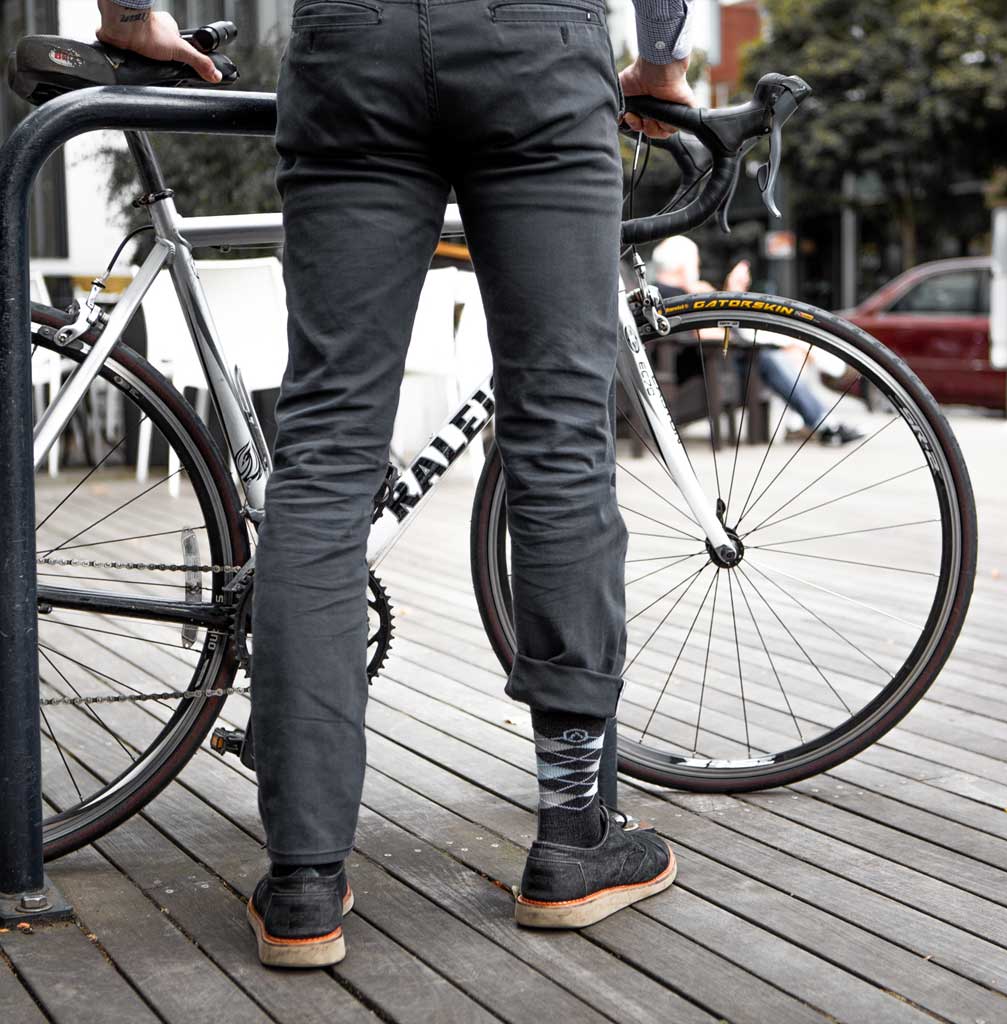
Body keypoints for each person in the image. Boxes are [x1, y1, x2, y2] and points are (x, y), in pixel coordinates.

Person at [97, 0, 691, 968]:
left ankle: (302, 880)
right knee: (560, 438)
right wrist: (661, 62)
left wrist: (129, 14)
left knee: (325, 455)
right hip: (537, 48)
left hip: (353, 45)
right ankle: (575, 833)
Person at [652, 236, 865, 445]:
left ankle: (806, 421)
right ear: (681, 265)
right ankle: (825, 411)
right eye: (695, 261)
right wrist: (730, 292)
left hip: (724, 359)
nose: (697, 266)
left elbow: (722, 326)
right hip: (705, 366)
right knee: (769, 356)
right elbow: (712, 334)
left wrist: (728, 293)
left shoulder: (687, 292)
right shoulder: (670, 296)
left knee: (787, 352)